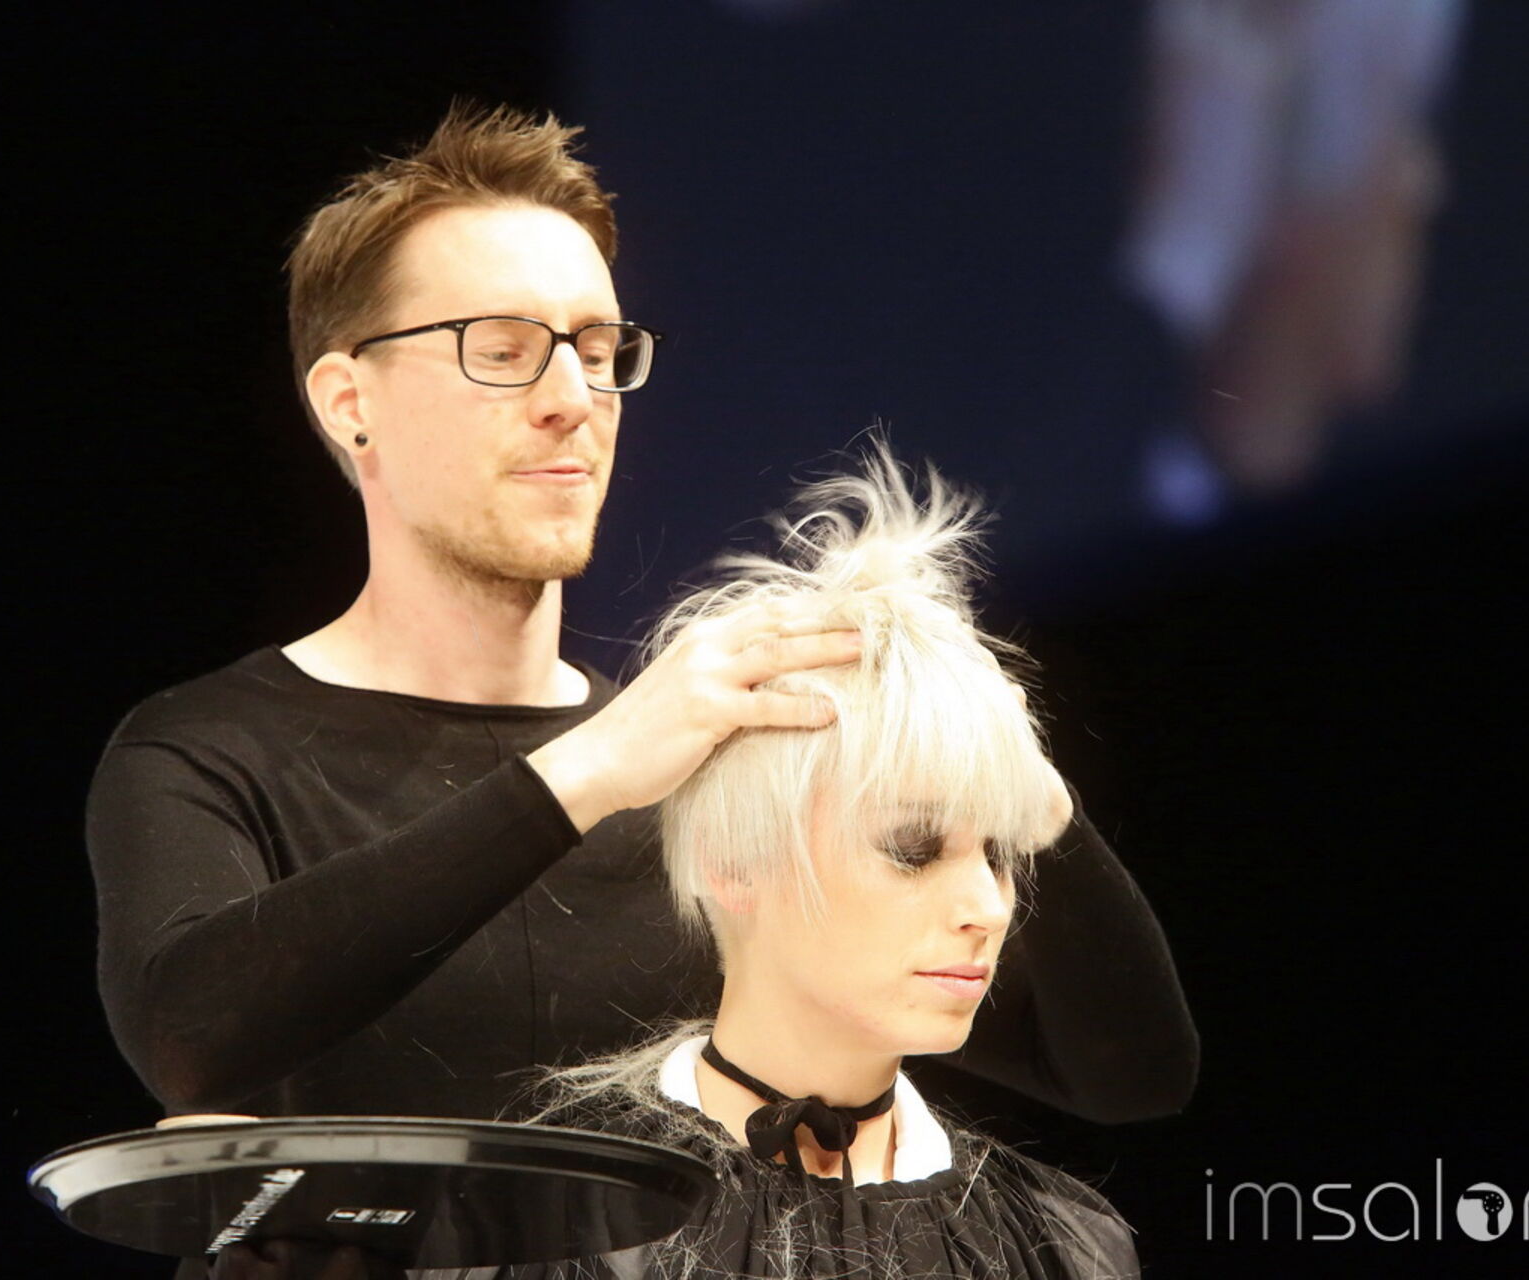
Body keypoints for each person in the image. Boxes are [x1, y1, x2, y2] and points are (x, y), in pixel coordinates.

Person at [84, 104, 1194, 1274]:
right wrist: (589, 770)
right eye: (502, 348)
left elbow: (1127, 1070)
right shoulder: (210, 750)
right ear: (349, 400)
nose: (573, 395)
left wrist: (1013, 773)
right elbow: (190, 1029)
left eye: (598, 347)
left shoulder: (713, 773)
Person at [465, 446, 1142, 1279]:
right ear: (732, 862)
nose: (988, 907)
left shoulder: (1058, 1244)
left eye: (1000, 854)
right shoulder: (553, 1222)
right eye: (912, 849)